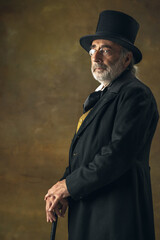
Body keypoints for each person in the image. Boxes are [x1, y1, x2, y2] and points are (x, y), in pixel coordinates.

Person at [44, 10, 159, 240]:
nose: (95, 57)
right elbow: (86, 155)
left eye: (105, 50)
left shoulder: (136, 95)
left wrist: (69, 185)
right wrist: (61, 187)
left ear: (127, 59)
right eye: (93, 49)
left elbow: (117, 155)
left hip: (116, 218)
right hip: (89, 211)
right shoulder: (102, 97)